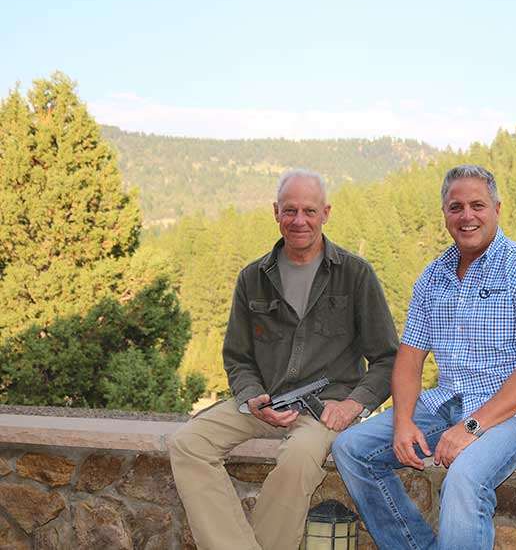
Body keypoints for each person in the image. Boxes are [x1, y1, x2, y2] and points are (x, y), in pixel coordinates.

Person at [332, 164, 516, 549]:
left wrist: (472, 427)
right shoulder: (433, 276)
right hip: (449, 402)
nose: (467, 216)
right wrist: (404, 421)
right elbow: (408, 360)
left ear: (497, 209)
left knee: (464, 476)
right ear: (445, 214)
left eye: (477, 205)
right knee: (351, 449)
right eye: (456, 207)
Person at [168, 170, 398, 550]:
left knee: (298, 457)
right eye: (289, 210)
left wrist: (353, 405)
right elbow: (238, 357)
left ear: (326, 213)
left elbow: (388, 359)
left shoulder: (356, 275)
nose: (299, 220)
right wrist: (253, 397)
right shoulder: (252, 277)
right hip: (265, 402)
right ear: (276, 213)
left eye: (309, 211)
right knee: (187, 443)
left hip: (325, 411)